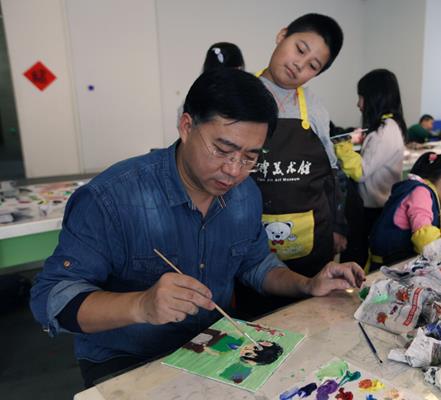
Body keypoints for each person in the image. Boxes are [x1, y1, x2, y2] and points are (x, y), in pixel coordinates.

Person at [29, 69, 364, 388]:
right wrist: (141, 305)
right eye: (222, 150)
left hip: (214, 347)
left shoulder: (245, 194)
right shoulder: (112, 198)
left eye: (250, 157)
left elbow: (256, 264)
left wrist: (307, 284)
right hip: (129, 358)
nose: (234, 170)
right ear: (187, 126)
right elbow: (51, 299)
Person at [236, 13, 347, 316]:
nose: (300, 65)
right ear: (282, 35)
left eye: (313, 65)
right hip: (250, 243)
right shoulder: (241, 95)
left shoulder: (315, 109)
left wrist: (338, 226)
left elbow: (332, 172)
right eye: (300, 49)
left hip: (311, 244)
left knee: (311, 320)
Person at [334, 69, 407, 267]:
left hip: (374, 208)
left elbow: (361, 172)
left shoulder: (386, 130)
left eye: (361, 97)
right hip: (374, 205)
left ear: (375, 97)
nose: (358, 103)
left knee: (358, 256)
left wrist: (342, 146)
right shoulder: (388, 127)